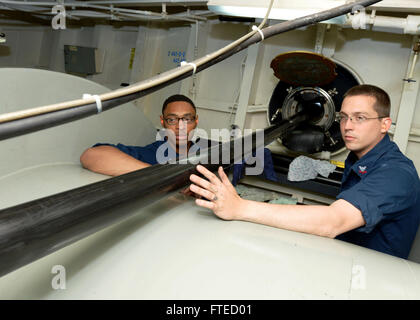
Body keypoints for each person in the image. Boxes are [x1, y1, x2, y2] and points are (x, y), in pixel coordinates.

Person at [188, 84, 420, 259]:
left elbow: (333, 222)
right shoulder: (360, 157)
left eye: (360, 118)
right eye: (343, 117)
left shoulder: (396, 173)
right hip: (348, 253)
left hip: (371, 274)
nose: (347, 126)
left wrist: (239, 207)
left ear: (384, 124)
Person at [80, 94, 200, 176]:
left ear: (196, 121)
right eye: (172, 120)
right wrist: (159, 175)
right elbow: (90, 156)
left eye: (187, 119)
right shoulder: (150, 154)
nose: (180, 126)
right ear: (162, 121)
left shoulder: (209, 153)